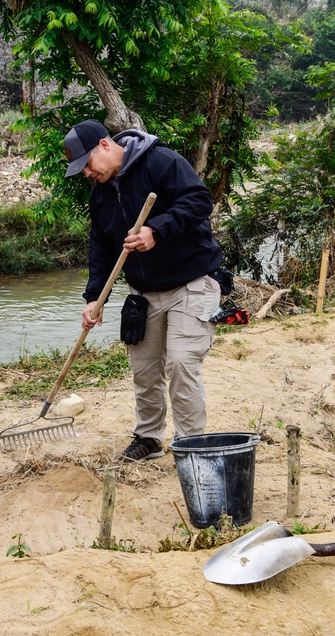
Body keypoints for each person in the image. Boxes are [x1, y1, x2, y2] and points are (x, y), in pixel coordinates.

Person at [64, 119, 224, 462]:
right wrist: (95, 297)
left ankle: (191, 444)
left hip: (192, 283)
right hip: (144, 294)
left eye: (87, 165)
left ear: (104, 146)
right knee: (145, 370)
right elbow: (101, 248)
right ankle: (149, 438)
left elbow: (199, 201)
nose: (87, 174)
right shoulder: (101, 194)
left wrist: (157, 229)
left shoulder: (162, 161)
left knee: (181, 363)